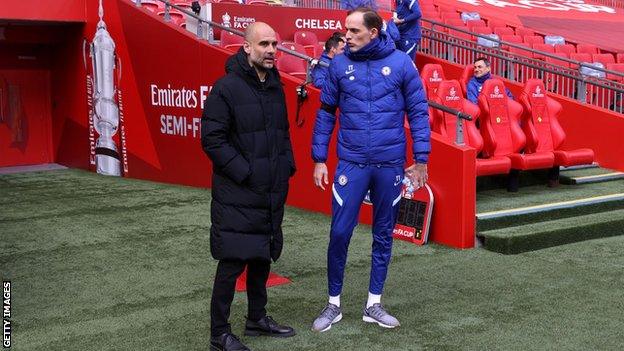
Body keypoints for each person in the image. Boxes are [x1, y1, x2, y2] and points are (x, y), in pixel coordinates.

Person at [310, 7, 430, 332]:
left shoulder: (402, 64)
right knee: (339, 233)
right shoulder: (338, 65)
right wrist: (319, 158)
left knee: (383, 235)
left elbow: (419, 112)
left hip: (389, 165)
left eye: (353, 31)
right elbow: (325, 113)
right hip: (351, 163)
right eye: (346, 30)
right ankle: (333, 304)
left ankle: (373, 304)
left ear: (373, 32)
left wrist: (421, 161)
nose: (346, 35)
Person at [201, 22, 297, 351]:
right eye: (265, 44)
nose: (272, 50)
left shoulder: (275, 86)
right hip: (238, 192)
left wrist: (286, 168)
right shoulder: (225, 88)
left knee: (262, 256)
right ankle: (219, 334)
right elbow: (212, 140)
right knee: (232, 260)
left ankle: (257, 318)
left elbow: (283, 135)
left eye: (275, 44)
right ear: (247, 48)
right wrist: (246, 172)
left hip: (270, 189)